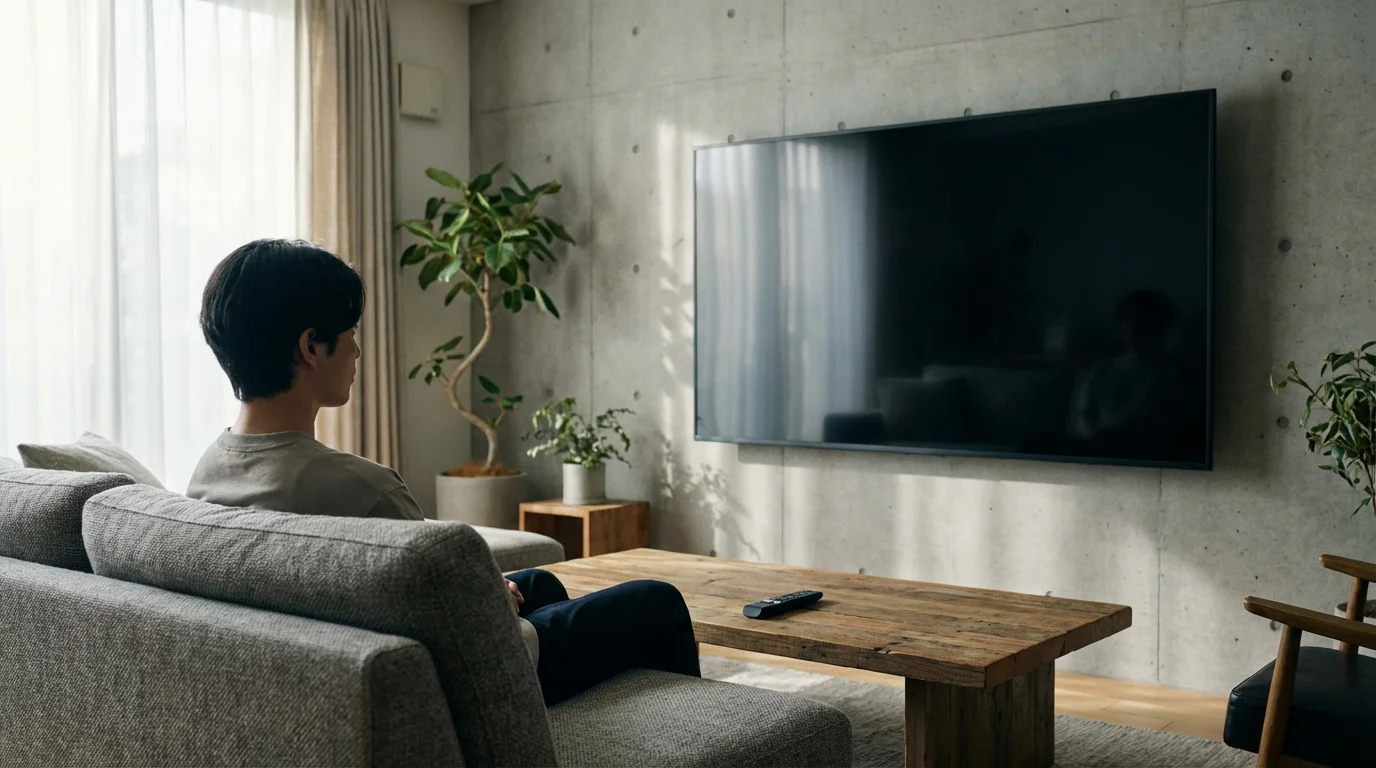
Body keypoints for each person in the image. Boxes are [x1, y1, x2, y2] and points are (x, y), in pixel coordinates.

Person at [189, 238, 700, 705]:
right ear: (311, 347)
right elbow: (456, 622)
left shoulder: (208, 472)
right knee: (658, 600)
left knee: (539, 582)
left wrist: (484, 587)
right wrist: (485, 597)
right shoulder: (365, 490)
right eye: (349, 333)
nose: (358, 350)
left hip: (326, 670)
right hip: (479, 682)